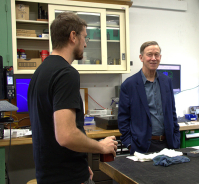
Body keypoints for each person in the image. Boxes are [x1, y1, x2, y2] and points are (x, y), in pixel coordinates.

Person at [28, 12, 117, 184]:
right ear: (73, 36)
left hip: (50, 175)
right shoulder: (66, 73)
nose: (85, 43)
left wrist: (80, 163)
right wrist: (101, 146)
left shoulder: (40, 72)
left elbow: (48, 129)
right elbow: (66, 135)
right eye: (85, 37)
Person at [118, 41, 180, 154]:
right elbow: (123, 119)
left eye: (156, 54)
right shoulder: (129, 85)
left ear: (160, 57)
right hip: (142, 147)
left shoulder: (166, 82)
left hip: (168, 145)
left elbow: (172, 112)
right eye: (149, 54)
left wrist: (176, 138)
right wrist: (130, 144)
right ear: (141, 57)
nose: (153, 58)